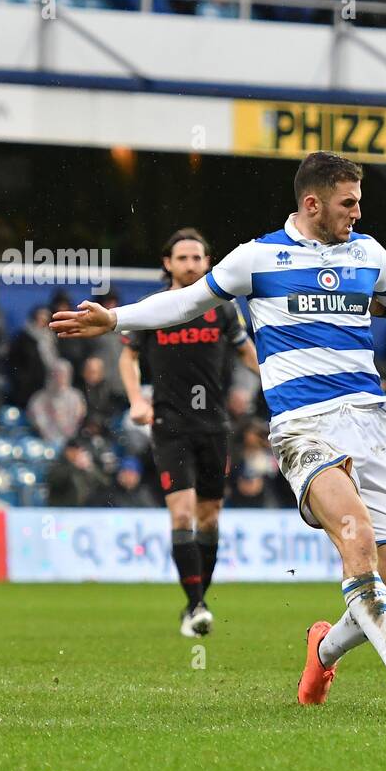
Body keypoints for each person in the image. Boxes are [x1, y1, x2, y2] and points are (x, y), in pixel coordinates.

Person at [52, 151, 386, 712]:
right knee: (356, 538)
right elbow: (186, 303)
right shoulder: (256, 258)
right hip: (305, 427)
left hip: (373, 425)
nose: (357, 212)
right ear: (313, 203)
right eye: (347, 203)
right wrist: (116, 319)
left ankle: (322, 656)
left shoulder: (369, 252)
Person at [117, 228, 261, 638]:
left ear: (208, 262)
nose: (191, 265)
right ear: (168, 263)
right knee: (181, 514)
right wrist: (136, 400)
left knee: (209, 518)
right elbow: (127, 357)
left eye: (197, 258)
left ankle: (196, 600)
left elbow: (244, 349)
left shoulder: (223, 309)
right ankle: (197, 605)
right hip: (170, 425)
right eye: (182, 258)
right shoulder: (153, 307)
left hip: (214, 426)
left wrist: (274, 378)